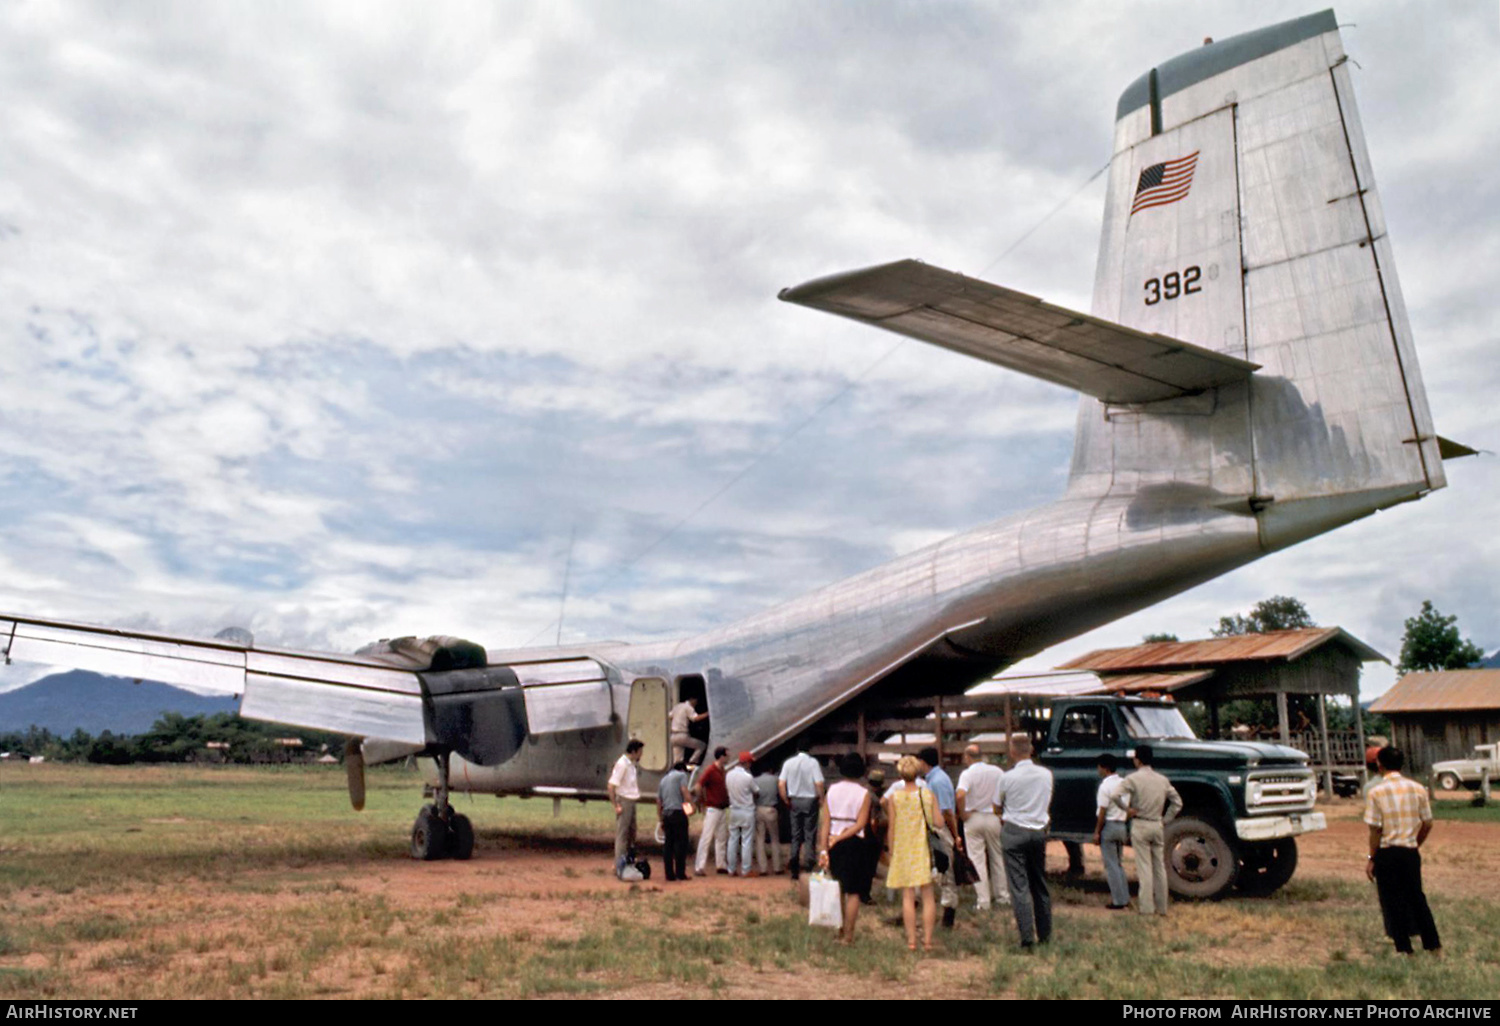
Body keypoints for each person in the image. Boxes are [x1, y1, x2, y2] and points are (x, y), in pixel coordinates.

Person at [1364, 746, 1442, 955]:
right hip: (1409, 850)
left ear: (1379, 764)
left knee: (1392, 901)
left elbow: (1375, 829)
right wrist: (1416, 842)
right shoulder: (1418, 789)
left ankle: (1404, 949)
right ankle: (1433, 945)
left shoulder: (1376, 792)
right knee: (1417, 897)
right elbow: (1427, 823)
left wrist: (1372, 857)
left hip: (1387, 852)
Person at [994, 735, 1053, 948]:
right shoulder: (1046, 774)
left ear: (1012, 751)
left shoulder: (1007, 777)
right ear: (1031, 750)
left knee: (1019, 886)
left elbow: (996, 806)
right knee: (1039, 883)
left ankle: (1027, 938)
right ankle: (1045, 934)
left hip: (1014, 829)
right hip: (1038, 829)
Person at [1116, 743, 1182, 917]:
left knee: (1144, 868)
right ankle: (1162, 907)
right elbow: (1177, 802)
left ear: (1137, 760)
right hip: (1157, 823)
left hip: (1140, 823)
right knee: (1159, 867)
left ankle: (1146, 908)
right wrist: (1166, 819)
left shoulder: (1133, 779)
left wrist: (1126, 809)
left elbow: (1115, 795)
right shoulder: (1162, 779)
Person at [817, 752, 875, 945]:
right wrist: (843, 836)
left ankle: (839, 930)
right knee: (854, 891)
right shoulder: (864, 793)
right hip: (855, 842)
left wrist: (824, 848)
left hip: (834, 840)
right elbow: (860, 824)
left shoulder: (832, 790)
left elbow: (825, 821)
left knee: (839, 888)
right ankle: (849, 935)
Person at [882, 754, 939, 951]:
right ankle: (928, 941)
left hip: (903, 848)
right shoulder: (927, 794)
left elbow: (892, 826)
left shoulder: (894, 798)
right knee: (928, 895)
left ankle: (912, 941)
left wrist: (891, 849)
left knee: (907, 895)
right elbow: (938, 822)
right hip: (922, 847)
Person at [956, 743, 1008, 912]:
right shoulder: (997, 771)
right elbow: (1004, 792)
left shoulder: (967, 774)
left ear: (968, 757)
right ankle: (1002, 896)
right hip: (993, 816)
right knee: (997, 857)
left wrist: (963, 813)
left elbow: (960, 794)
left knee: (977, 859)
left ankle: (983, 900)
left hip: (974, 817)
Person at [917, 746, 962, 928]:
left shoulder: (937, 781)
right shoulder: (935, 778)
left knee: (946, 870)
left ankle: (948, 915)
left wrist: (955, 835)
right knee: (937, 868)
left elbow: (947, 812)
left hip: (940, 829)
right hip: (935, 828)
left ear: (924, 762)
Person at [779, 738, 825, 880]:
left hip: (794, 800)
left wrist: (786, 799)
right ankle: (809, 863)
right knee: (810, 832)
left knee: (796, 833)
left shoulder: (788, 763)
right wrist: (821, 799)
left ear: (797, 750)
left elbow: (781, 784)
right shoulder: (813, 763)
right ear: (809, 750)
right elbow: (819, 783)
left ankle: (794, 863)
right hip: (810, 800)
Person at [1091, 753, 1130, 910]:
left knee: (1111, 866)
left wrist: (1097, 831)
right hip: (1122, 825)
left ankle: (1118, 900)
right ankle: (1125, 897)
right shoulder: (1124, 783)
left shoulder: (1105, 786)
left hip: (1109, 825)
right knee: (1118, 864)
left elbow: (1102, 811)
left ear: (1104, 768)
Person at [693, 747, 732, 876]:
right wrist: (702, 801)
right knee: (707, 837)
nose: (728, 758)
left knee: (721, 837)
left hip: (721, 808)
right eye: (726, 756)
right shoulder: (711, 770)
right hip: (713, 808)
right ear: (721, 757)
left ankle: (721, 864)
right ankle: (699, 866)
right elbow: (698, 785)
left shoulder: (722, 771)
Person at [608, 739, 644, 872]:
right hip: (625, 800)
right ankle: (619, 864)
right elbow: (611, 785)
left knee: (631, 833)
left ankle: (627, 860)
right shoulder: (622, 764)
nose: (641, 755)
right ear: (634, 752)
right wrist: (616, 805)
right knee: (622, 834)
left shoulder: (631, 765)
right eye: (640, 752)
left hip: (632, 799)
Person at [658, 758, 693, 881]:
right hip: (678, 813)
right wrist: (691, 805)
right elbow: (684, 791)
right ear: (682, 769)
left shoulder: (663, 779)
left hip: (666, 814)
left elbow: (659, 801)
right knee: (681, 844)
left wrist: (660, 819)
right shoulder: (681, 776)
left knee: (668, 845)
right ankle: (680, 873)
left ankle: (669, 874)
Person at [725, 751, 760, 876]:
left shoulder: (728, 775)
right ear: (746, 763)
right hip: (747, 810)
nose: (750, 765)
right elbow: (756, 791)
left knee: (732, 840)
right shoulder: (748, 777)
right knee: (746, 841)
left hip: (734, 810)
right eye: (750, 762)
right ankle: (746, 870)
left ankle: (731, 869)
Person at [752, 762, 784, 875]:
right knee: (774, 839)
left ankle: (763, 868)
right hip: (771, 809)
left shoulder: (755, 780)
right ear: (770, 770)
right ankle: (777, 867)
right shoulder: (775, 779)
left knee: (760, 839)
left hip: (759, 809)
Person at [669, 696, 709, 767]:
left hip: (673, 736)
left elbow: (670, 716)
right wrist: (707, 714)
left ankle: (678, 770)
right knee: (701, 745)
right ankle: (692, 762)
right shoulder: (688, 707)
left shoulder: (677, 706)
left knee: (678, 761)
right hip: (682, 735)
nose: (695, 704)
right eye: (696, 702)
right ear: (692, 699)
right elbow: (695, 718)